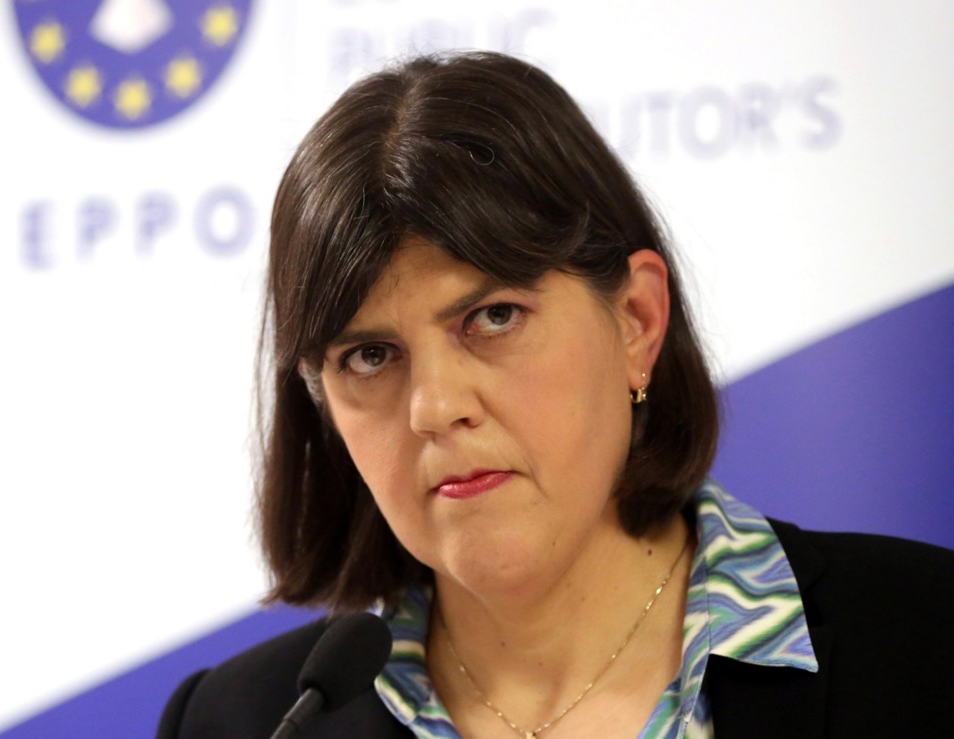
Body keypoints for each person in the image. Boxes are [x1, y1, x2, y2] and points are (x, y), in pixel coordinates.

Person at [157, 51, 954, 738]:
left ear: (637, 320)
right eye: (370, 355)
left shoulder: (927, 638)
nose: (434, 406)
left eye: (493, 317)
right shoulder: (243, 721)